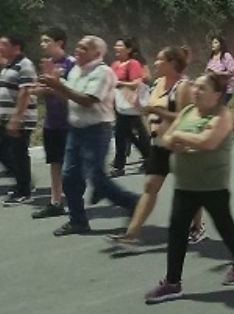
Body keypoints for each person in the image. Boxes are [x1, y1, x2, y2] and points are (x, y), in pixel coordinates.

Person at [144, 73, 234, 304]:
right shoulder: (187, 112)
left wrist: (182, 137)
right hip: (185, 184)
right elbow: (167, 138)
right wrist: (182, 139)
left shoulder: (223, 115)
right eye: (195, 86)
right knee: (177, 230)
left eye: (202, 88)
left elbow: (208, 142)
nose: (196, 90)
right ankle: (173, 283)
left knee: (224, 226)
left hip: (212, 184)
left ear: (217, 94)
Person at [39, 36, 140, 236]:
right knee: (69, 177)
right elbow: (68, 98)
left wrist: (58, 85)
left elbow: (88, 101)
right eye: (77, 46)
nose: (77, 50)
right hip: (75, 130)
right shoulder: (76, 70)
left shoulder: (103, 72)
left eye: (83, 48)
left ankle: (133, 203)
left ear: (97, 53)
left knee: (96, 177)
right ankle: (78, 221)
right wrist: (52, 88)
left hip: (96, 130)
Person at [106, 46, 200, 247]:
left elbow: (188, 117)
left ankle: (197, 227)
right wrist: (141, 109)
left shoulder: (183, 87)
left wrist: (157, 111)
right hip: (159, 145)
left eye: (160, 60)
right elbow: (149, 111)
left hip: (179, 146)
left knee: (190, 190)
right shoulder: (157, 84)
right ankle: (132, 233)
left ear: (172, 63)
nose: (155, 63)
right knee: (150, 187)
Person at [31, 28, 76, 217]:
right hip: (52, 121)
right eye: (42, 41)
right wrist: (39, 89)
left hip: (70, 122)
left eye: (47, 41)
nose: (43, 45)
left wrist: (54, 87)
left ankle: (77, 200)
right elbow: (38, 86)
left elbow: (73, 93)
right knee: (55, 162)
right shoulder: (47, 64)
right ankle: (55, 201)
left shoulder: (71, 63)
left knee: (72, 165)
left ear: (60, 43)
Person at [0, 34, 38, 205]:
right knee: (6, 153)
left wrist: (16, 118)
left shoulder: (25, 65)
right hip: (6, 118)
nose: (0, 47)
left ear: (16, 47)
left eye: (3, 44)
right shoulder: (9, 65)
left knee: (18, 154)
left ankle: (24, 191)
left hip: (20, 120)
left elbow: (25, 93)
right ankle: (23, 182)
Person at [110, 37, 151, 177]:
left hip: (131, 103)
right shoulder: (115, 64)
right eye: (116, 45)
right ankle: (148, 156)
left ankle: (119, 165)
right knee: (126, 134)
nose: (116, 48)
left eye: (120, 45)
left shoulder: (133, 63)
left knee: (123, 134)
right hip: (120, 103)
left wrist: (120, 83)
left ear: (128, 49)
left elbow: (136, 83)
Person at [204, 35, 234, 104]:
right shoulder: (212, 57)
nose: (213, 45)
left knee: (219, 107)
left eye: (216, 43)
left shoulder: (226, 56)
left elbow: (232, 72)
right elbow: (207, 70)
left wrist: (218, 73)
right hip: (214, 89)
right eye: (212, 43)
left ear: (221, 44)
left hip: (226, 89)